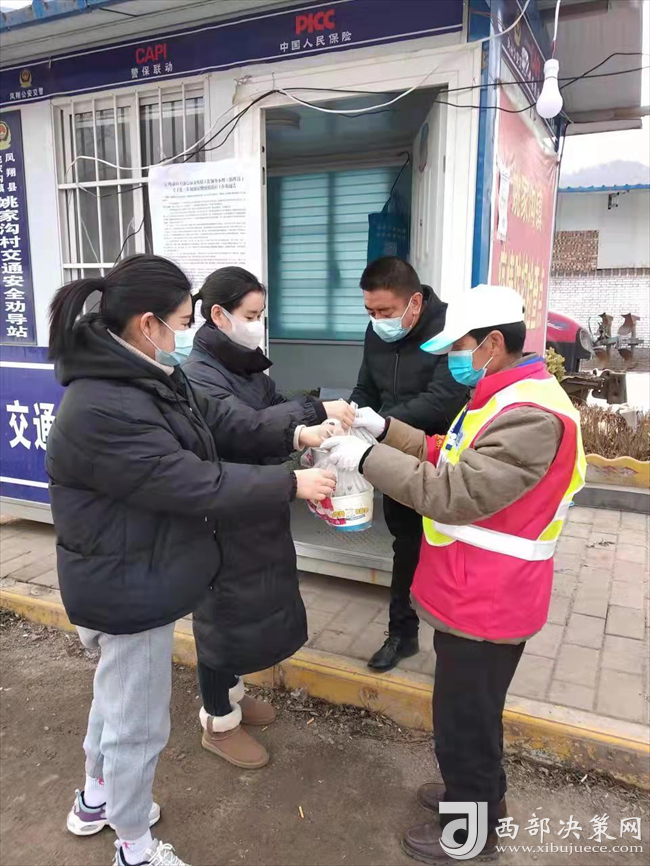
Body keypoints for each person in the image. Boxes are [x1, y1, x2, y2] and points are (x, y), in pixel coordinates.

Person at [45, 254, 336, 866]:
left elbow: (216, 426)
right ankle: (133, 845)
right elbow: (193, 481)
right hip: (127, 584)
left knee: (115, 700)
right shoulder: (106, 404)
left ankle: (96, 800)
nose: (186, 333)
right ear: (148, 324)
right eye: (181, 322)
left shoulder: (140, 376)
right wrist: (290, 484)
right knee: (137, 724)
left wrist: (296, 431)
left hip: (130, 569)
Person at [323, 285, 586, 863]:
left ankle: (474, 831)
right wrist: (382, 428)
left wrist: (365, 458)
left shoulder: (532, 417)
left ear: (492, 343)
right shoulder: (502, 395)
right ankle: (475, 797)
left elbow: (454, 492)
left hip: (491, 600)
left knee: (465, 721)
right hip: (470, 590)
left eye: (459, 347)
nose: (451, 360)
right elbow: (449, 452)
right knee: (469, 713)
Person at [182, 265, 354, 768]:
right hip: (223, 511)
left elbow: (273, 406)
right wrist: (305, 424)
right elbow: (241, 425)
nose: (258, 324)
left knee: (249, 608)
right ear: (219, 315)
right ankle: (218, 721)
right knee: (221, 616)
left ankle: (232, 693)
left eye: (261, 314)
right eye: (251, 314)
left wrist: (315, 416)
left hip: (255, 503)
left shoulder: (244, 366)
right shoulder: (199, 373)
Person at [350, 257, 467, 672]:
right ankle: (402, 634)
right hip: (396, 456)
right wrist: (349, 418)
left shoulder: (452, 328)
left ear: (414, 302)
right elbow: (366, 386)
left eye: (385, 311)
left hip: (445, 458)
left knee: (454, 551)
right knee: (407, 545)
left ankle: (460, 643)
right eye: (370, 311)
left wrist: (381, 425)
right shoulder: (376, 330)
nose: (377, 320)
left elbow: (443, 400)